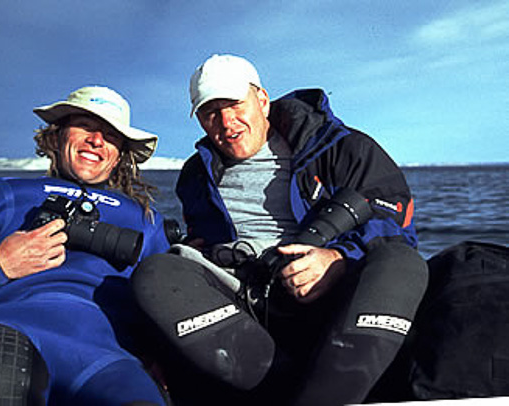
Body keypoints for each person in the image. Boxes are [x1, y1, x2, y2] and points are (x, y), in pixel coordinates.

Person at [132, 54, 429, 405]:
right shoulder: (196, 174)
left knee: (400, 261)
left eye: (234, 104)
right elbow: (204, 237)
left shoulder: (340, 145)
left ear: (262, 99)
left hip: (333, 292)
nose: (226, 123)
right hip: (247, 304)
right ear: (198, 119)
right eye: (210, 112)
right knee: (157, 272)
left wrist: (337, 258)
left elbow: (393, 217)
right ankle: (280, 387)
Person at [0, 86, 172, 406]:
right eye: (85, 125)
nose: (97, 140)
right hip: (4, 340)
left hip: (111, 357)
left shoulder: (145, 220)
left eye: (110, 135)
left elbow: (165, 306)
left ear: (119, 155)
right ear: (56, 136)